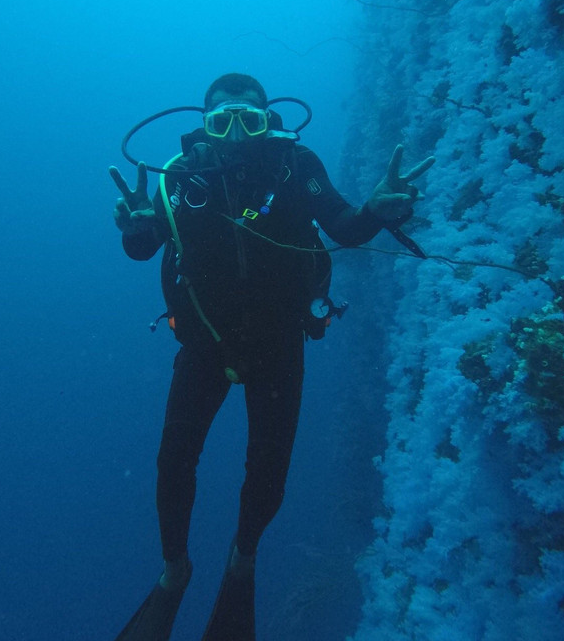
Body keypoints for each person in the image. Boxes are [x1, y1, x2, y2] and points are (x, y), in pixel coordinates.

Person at [107, 73, 433, 641]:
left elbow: (345, 228)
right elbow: (143, 248)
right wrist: (134, 225)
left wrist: (378, 211)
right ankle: (175, 569)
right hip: (204, 346)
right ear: (204, 126)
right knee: (173, 462)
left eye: (249, 119)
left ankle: (243, 557)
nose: (236, 133)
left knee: (268, 470)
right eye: (222, 120)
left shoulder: (297, 167)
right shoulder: (179, 179)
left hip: (278, 345)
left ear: (270, 121)